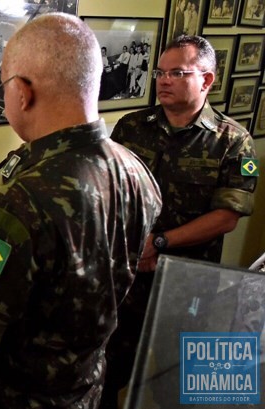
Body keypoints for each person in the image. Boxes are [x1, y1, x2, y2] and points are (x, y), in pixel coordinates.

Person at [0, 13, 162, 408]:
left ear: (22, 92)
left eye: (4, 87)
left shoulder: (13, 209)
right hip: (87, 390)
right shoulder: (134, 170)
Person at [101, 35, 258, 409]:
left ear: (206, 81)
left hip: (187, 280)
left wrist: (159, 243)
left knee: (173, 373)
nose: (163, 80)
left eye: (177, 72)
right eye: (160, 72)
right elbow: (111, 190)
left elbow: (226, 216)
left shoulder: (233, 142)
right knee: (108, 369)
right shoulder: (131, 127)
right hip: (126, 274)